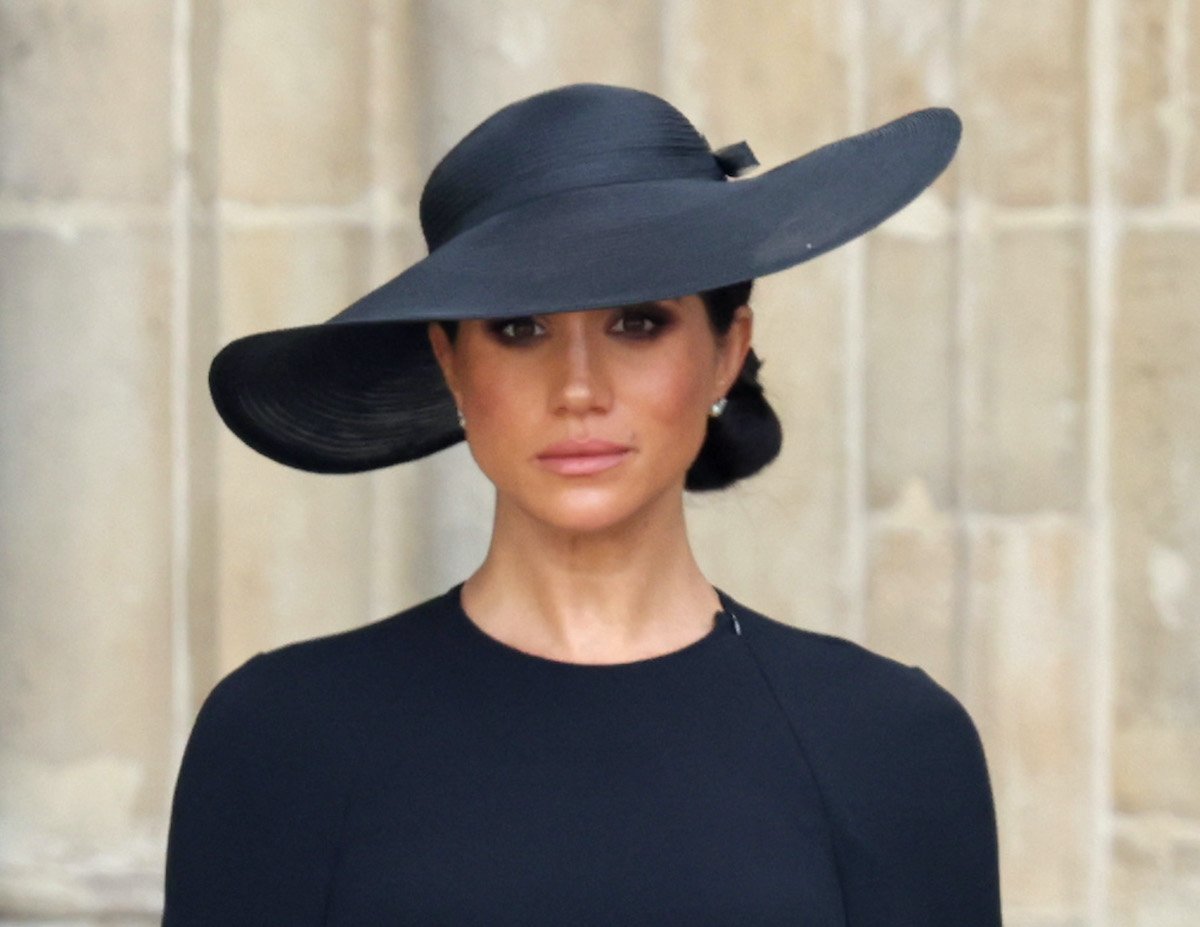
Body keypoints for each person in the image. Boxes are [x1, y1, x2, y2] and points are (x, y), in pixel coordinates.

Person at [163, 83, 1002, 925]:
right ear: (450, 363)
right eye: (519, 327)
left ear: (727, 351)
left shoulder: (889, 743)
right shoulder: (282, 738)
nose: (578, 388)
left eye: (636, 323)